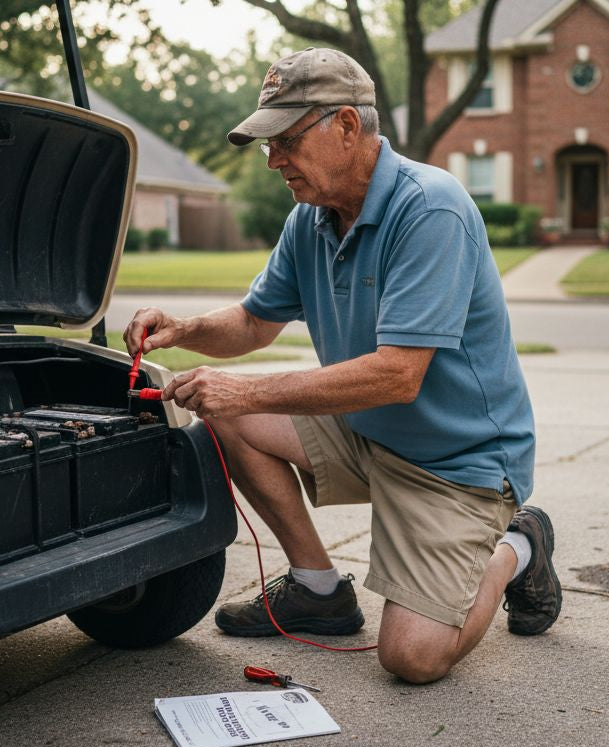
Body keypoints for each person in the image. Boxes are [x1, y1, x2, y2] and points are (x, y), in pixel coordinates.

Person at [123, 47, 560, 684]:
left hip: (457, 464)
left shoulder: (430, 209)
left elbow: (397, 374)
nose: (272, 161)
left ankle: (520, 546)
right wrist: (184, 330)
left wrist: (248, 393)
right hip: (366, 432)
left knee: (412, 659)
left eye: (285, 141)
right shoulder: (311, 219)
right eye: (266, 145)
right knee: (216, 417)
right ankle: (318, 590)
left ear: (348, 127)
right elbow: (253, 322)